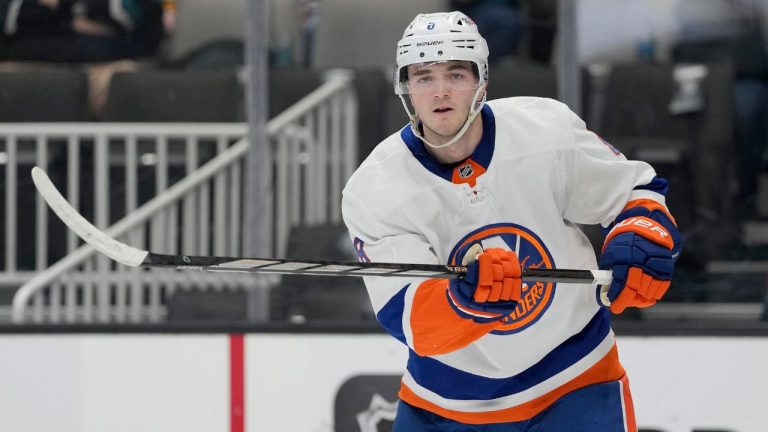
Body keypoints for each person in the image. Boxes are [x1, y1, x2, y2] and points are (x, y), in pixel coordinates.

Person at [341, 11, 681, 431]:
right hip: (447, 406)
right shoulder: (374, 189)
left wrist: (641, 237)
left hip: (575, 380)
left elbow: (634, 191)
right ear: (405, 86)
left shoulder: (544, 130)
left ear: (481, 80)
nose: (440, 91)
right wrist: (463, 301)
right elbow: (410, 318)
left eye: (456, 74)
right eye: (424, 76)